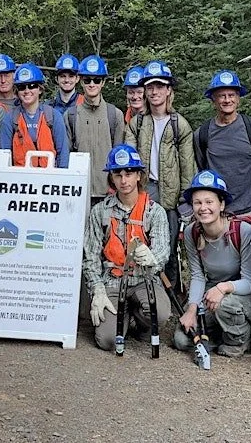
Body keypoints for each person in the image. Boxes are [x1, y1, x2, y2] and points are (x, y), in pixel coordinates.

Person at [84, 144, 171, 351]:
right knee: (107, 341)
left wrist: (152, 257)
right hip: (113, 282)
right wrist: (97, 290)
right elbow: (91, 257)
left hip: (144, 281)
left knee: (160, 313)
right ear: (111, 178)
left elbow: (163, 250)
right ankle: (120, 318)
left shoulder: (154, 212)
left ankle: (141, 324)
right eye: (118, 174)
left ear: (139, 176)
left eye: (129, 173)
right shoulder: (100, 212)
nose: (124, 180)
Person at [124, 59, 196, 289]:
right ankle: (142, 290)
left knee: (169, 246)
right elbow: (129, 163)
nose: (154, 92)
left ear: (168, 90)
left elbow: (187, 165)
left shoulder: (179, 124)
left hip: (171, 196)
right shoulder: (137, 123)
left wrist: (186, 200)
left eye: (159, 86)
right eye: (150, 87)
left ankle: (170, 293)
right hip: (144, 192)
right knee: (141, 242)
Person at [173, 170, 251, 357]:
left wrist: (222, 288)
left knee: (225, 305)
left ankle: (239, 341)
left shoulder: (242, 231)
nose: (203, 208)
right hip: (211, 292)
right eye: (198, 203)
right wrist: (192, 309)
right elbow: (197, 275)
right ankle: (216, 334)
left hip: (241, 294)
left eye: (209, 202)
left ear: (222, 204)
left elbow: (250, 282)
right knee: (181, 340)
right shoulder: (192, 232)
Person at [194, 70, 251, 215]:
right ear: (213, 99)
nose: (227, 100)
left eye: (231, 95)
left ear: (238, 98)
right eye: (221, 96)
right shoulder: (202, 134)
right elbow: (201, 168)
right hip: (216, 213)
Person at [63, 54, 125, 204]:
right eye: (87, 80)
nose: (92, 84)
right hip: (79, 192)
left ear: (103, 82)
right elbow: (66, 157)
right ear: (81, 81)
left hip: (108, 193)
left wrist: (116, 186)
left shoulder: (115, 114)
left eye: (96, 80)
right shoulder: (71, 115)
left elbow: (120, 158)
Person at [0, 63, 70, 168]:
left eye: (32, 86)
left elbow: (63, 152)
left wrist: (61, 175)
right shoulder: (10, 118)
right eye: (22, 87)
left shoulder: (53, 116)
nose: (27, 91)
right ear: (17, 91)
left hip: (49, 175)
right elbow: (4, 154)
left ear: (40, 89)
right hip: (19, 176)